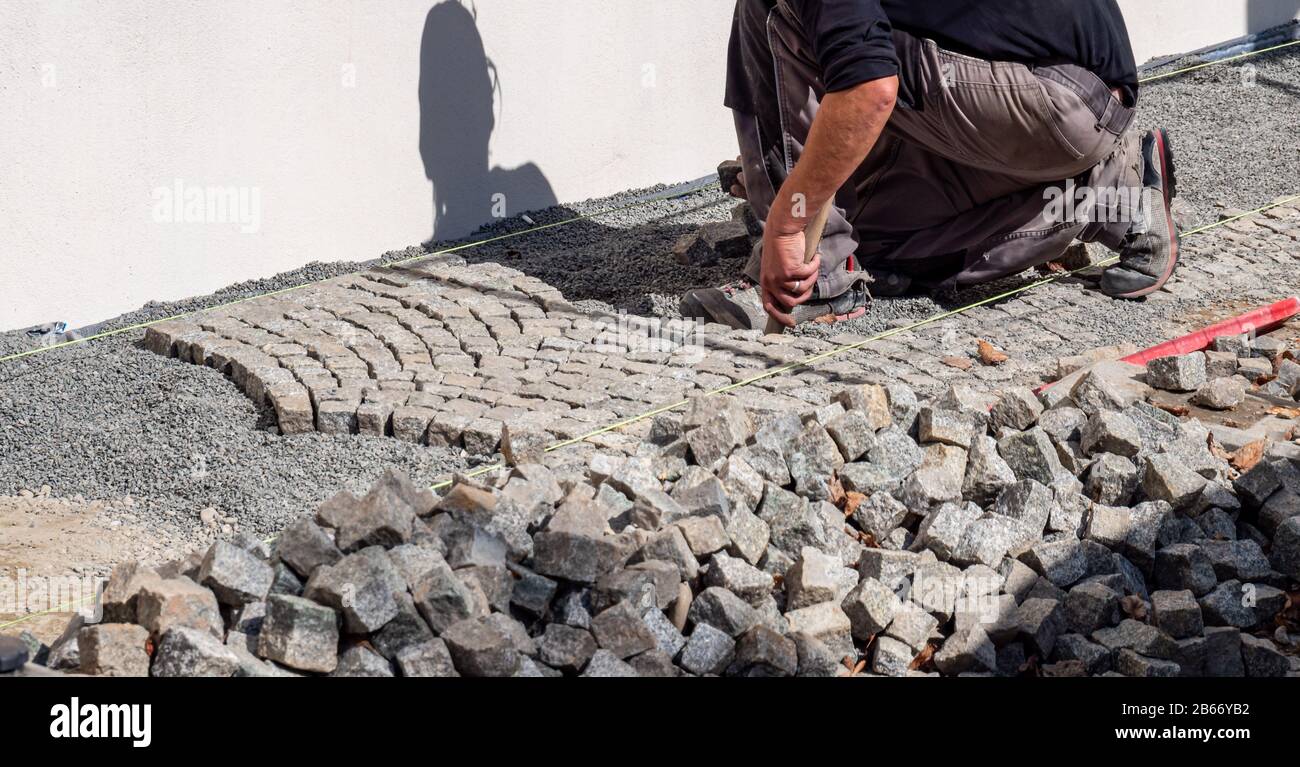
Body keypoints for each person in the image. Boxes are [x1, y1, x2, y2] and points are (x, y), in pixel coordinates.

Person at [681, 0, 1180, 330]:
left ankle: (816, 281)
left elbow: (868, 90)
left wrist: (789, 220)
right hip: (1067, 105)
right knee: (877, 250)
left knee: (774, 11)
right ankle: (1111, 192)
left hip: (1045, 96)